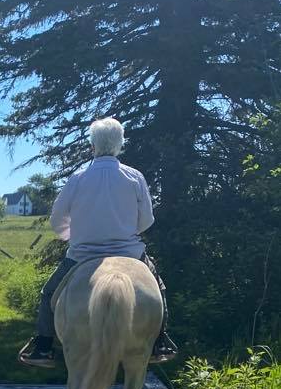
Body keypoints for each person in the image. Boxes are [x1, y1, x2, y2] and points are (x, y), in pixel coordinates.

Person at [19, 117, 178, 367]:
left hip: (83, 255)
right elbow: (147, 219)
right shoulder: (135, 177)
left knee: (48, 293)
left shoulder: (77, 178)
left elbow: (57, 218)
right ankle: (160, 341)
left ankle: (43, 345)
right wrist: (126, 232)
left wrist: (74, 236)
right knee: (158, 288)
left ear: (92, 144)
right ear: (120, 144)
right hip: (130, 254)